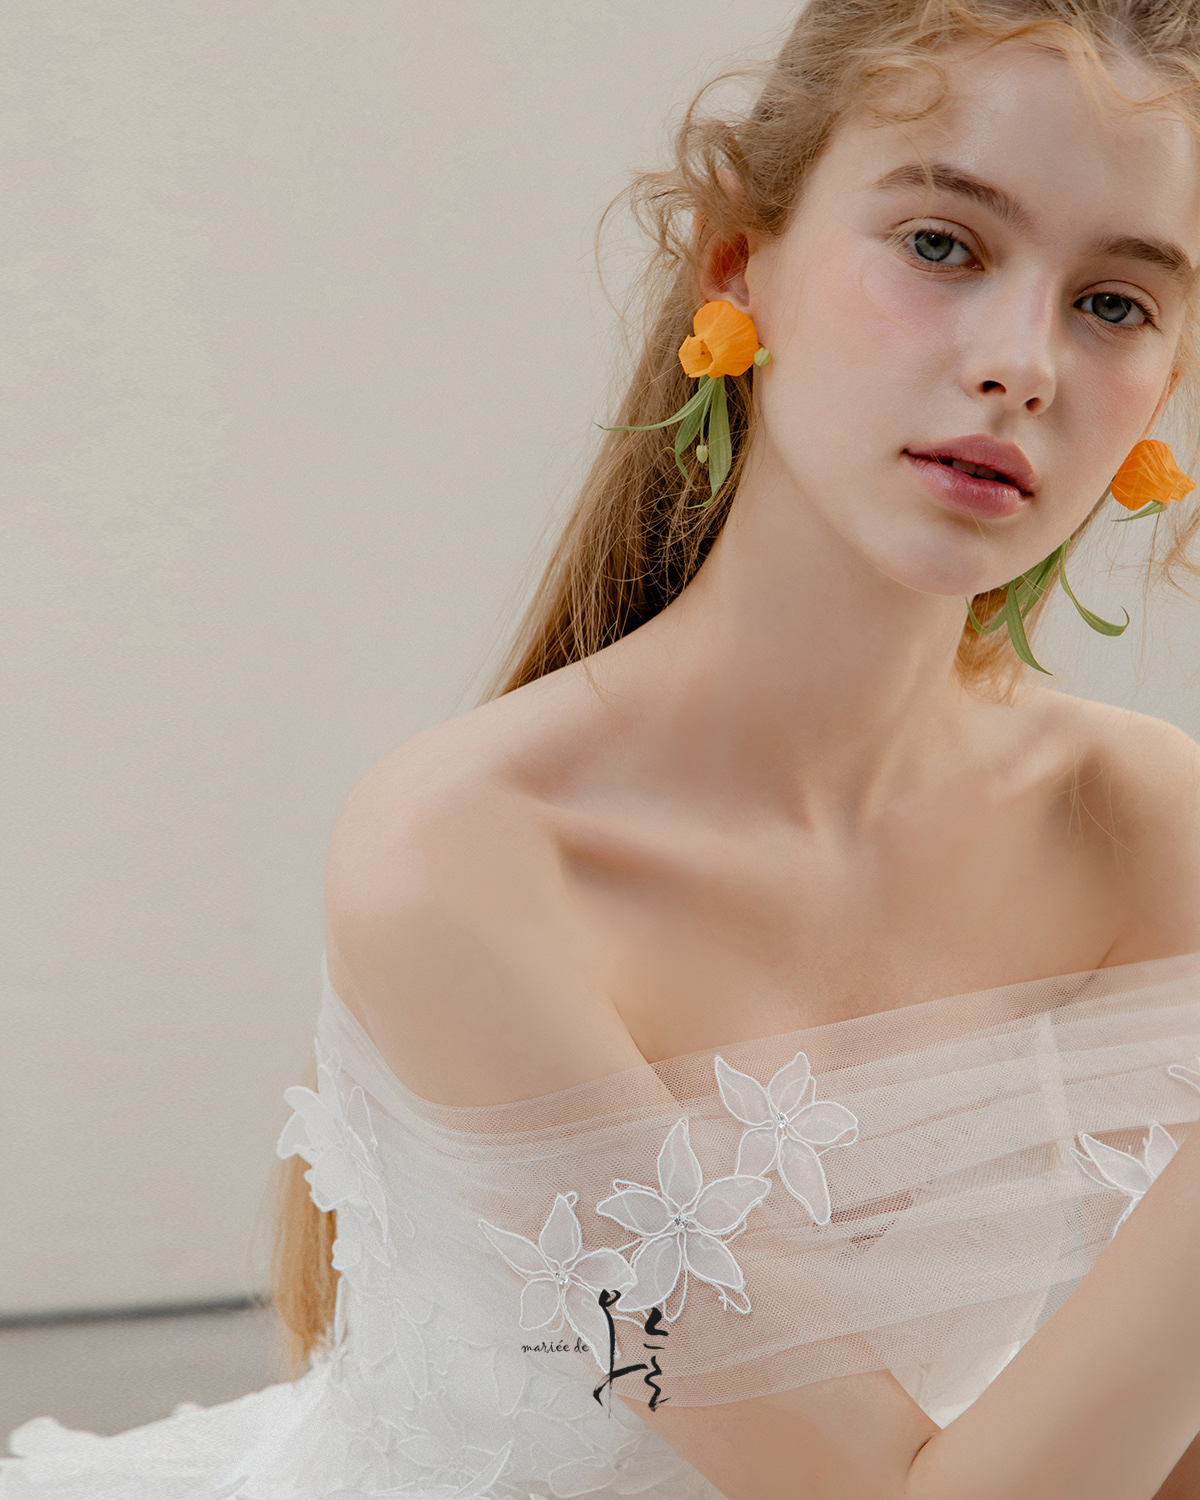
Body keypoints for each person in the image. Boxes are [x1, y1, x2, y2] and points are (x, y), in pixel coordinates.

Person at [9, 0, 1200, 1495]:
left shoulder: (1138, 821)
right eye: (940, 244)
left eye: (1116, 305)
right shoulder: (466, 859)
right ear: (736, 263)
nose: (1022, 364)